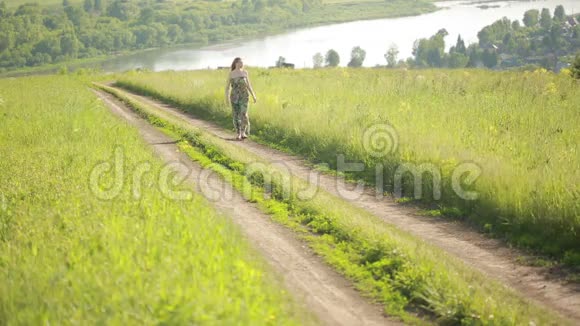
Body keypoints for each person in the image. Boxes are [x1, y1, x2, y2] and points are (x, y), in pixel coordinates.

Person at [225, 57, 257, 140]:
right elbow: (227, 88)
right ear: (236, 63)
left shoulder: (245, 73)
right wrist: (227, 98)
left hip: (244, 96)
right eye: (240, 62)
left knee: (244, 114)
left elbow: (248, 85)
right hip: (234, 97)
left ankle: (243, 132)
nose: (241, 64)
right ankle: (238, 133)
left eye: (242, 63)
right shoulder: (231, 74)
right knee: (236, 115)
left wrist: (253, 96)